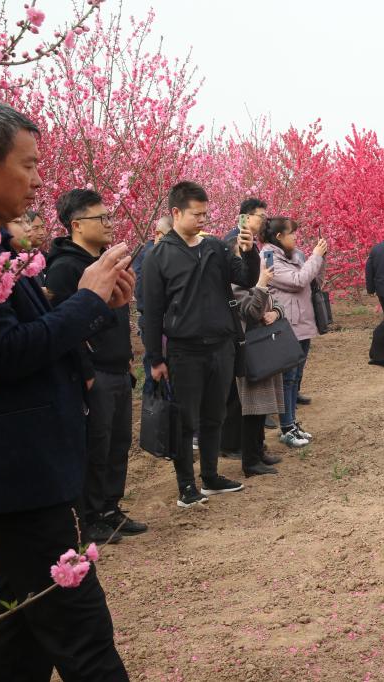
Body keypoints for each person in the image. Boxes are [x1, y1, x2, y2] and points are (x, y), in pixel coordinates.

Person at [0, 99, 130, 680]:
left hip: (28, 463)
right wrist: (86, 299)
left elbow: (30, 335)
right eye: (27, 165)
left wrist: (92, 302)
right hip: (17, 469)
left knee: (21, 623)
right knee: (84, 636)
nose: (36, 181)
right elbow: (1, 353)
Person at [142, 181, 260, 508]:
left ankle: (210, 476)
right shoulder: (159, 256)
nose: (203, 220)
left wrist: (249, 253)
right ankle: (186, 486)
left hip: (221, 346)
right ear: (176, 212)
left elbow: (246, 278)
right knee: (185, 421)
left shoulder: (215, 248)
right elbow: (152, 312)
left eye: (205, 214)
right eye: (196, 214)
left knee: (214, 415)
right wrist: (155, 358)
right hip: (185, 351)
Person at [45, 189, 147, 543]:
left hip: (117, 367)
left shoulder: (106, 263)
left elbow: (117, 315)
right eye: (100, 218)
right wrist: (85, 370)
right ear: (76, 225)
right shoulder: (64, 269)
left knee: (119, 444)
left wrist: (128, 356)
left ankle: (110, 508)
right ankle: (88, 518)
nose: (108, 223)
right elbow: (61, 327)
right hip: (92, 372)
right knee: (95, 447)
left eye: (108, 216)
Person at [260, 217, 326, 447]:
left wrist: (320, 258)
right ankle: (287, 427)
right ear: (279, 236)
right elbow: (298, 281)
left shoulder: (294, 255)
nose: (296, 237)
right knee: (288, 379)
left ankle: (292, 424)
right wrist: (315, 256)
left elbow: (314, 280)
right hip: (287, 324)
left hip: (303, 322)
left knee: (296, 377)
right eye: (292, 233)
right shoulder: (269, 258)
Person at [221, 198, 269, 454]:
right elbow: (241, 286)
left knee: (243, 391)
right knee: (237, 392)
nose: (264, 221)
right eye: (261, 216)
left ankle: (246, 444)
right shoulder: (235, 242)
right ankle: (232, 445)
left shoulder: (250, 242)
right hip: (239, 324)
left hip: (251, 319)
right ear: (246, 217)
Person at [231, 263, 286, 477]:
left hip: (265, 347)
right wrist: (261, 284)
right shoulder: (235, 286)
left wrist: (275, 313)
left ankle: (259, 450)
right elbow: (252, 312)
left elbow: (276, 303)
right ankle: (250, 461)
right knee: (252, 408)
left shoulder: (252, 283)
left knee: (262, 407)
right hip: (250, 351)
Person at [134, 215, 172, 397]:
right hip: (153, 323)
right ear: (158, 234)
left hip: (167, 324)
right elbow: (142, 297)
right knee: (155, 373)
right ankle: (152, 407)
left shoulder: (165, 254)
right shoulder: (147, 256)